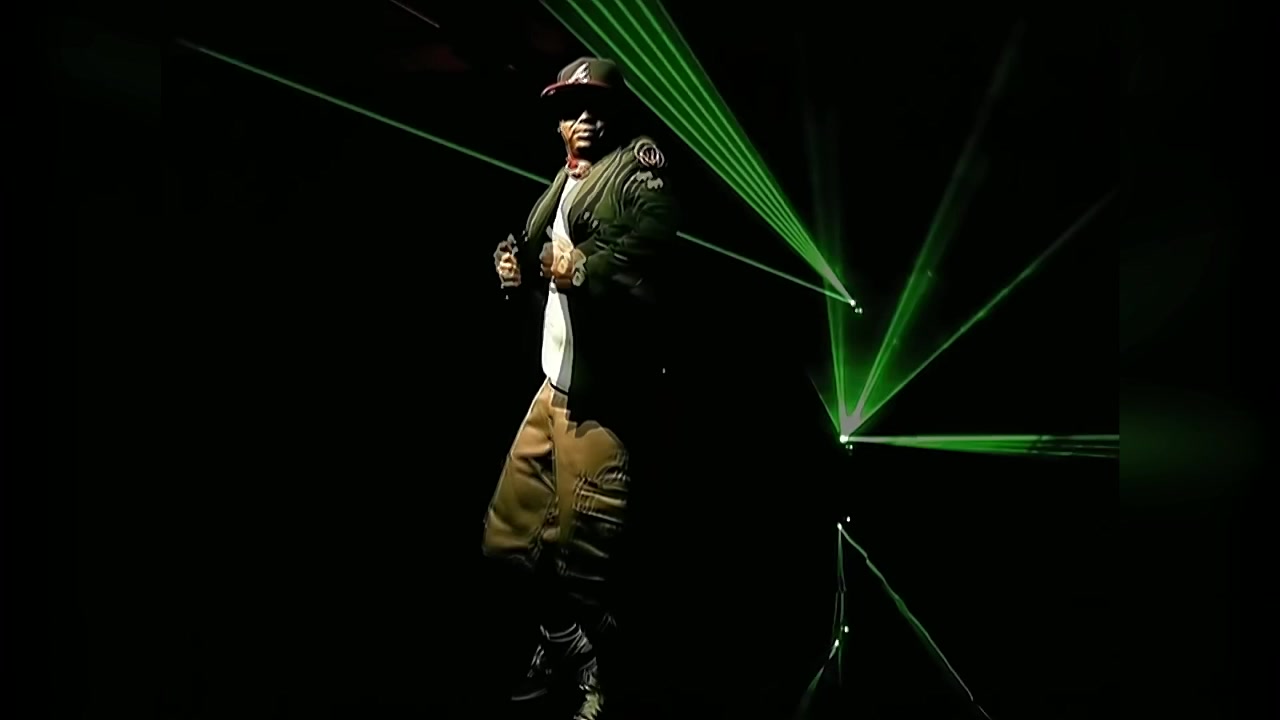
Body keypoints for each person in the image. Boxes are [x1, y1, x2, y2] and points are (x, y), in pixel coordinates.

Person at [483, 56, 677, 720]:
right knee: (506, 541)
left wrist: (586, 268)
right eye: (572, 109)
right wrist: (517, 275)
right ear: (558, 122)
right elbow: (541, 260)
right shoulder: (563, 181)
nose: (585, 119)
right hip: (552, 391)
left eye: (597, 108)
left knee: (584, 566)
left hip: (603, 404)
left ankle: (599, 676)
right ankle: (565, 645)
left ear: (617, 115)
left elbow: (655, 247)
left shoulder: (637, 166)